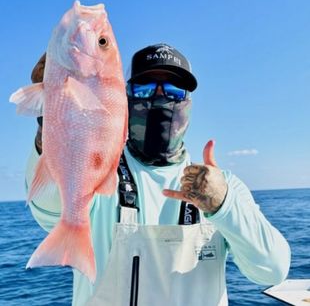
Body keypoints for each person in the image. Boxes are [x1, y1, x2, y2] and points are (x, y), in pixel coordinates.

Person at [26, 43, 291, 306]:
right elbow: (48, 211)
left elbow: (271, 271)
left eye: (175, 90)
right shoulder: (99, 173)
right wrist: (50, 125)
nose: (161, 97)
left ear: (188, 101)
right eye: (145, 88)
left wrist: (223, 205)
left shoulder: (223, 186)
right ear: (124, 98)